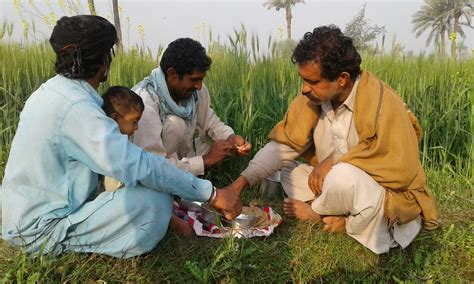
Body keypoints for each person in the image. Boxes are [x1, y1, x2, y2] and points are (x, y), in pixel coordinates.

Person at [0, 15, 241, 259]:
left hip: (26, 216)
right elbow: (139, 165)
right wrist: (213, 194)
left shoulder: (51, 91)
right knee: (155, 200)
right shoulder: (77, 108)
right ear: (105, 61)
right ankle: (68, 245)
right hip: (39, 229)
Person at [228, 25, 439, 254]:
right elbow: (283, 146)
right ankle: (334, 213)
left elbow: (400, 169)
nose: (304, 89)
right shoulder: (314, 99)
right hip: (333, 185)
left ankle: (321, 216)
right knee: (286, 170)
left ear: (342, 79)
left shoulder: (382, 103)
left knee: (342, 176)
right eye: (303, 80)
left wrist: (336, 160)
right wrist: (237, 185)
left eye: (313, 82)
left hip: (376, 190)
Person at [131, 38, 251, 178]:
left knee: (215, 142)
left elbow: (210, 121)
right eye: (194, 80)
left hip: (178, 158)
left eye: (201, 79)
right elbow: (152, 165)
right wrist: (205, 161)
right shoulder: (145, 100)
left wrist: (231, 138)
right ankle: (178, 185)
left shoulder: (196, 91)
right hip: (151, 168)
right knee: (176, 125)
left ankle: (185, 177)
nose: (199, 86)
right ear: (172, 75)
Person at [100, 86, 193, 235]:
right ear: (114, 118)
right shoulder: (110, 150)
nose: (137, 128)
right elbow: (119, 189)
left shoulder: (124, 141)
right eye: (134, 121)